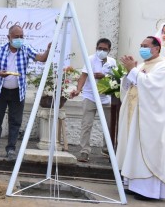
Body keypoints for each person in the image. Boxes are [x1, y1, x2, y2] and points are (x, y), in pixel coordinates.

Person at [0, 25, 51, 161]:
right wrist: (0, 73)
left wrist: (48, 50)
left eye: (21, 36)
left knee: (15, 122)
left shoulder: (25, 48)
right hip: (1, 91)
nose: (19, 39)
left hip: (18, 92)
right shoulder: (0, 50)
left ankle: (11, 149)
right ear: (9, 37)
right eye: (16, 37)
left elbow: (41, 58)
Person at [116, 36, 165, 201]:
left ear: (157, 48)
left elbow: (152, 86)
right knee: (133, 150)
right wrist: (130, 72)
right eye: (141, 45)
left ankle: (149, 190)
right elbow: (128, 86)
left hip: (149, 119)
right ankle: (133, 184)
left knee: (146, 150)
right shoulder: (143, 65)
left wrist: (134, 71)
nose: (142, 48)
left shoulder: (162, 66)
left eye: (146, 46)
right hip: (134, 114)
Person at [70, 38, 116, 162]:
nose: (101, 51)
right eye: (99, 48)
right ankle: (84, 151)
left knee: (109, 126)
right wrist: (78, 90)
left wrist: (104, 76)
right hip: (90, 96)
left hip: (106, 98)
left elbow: (116, 78)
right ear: (96, 48)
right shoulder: (90, 59)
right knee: (86, 124)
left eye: (104, 49)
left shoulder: (112, 62)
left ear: (109, 50)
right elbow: (83, 75)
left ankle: (107, 149)